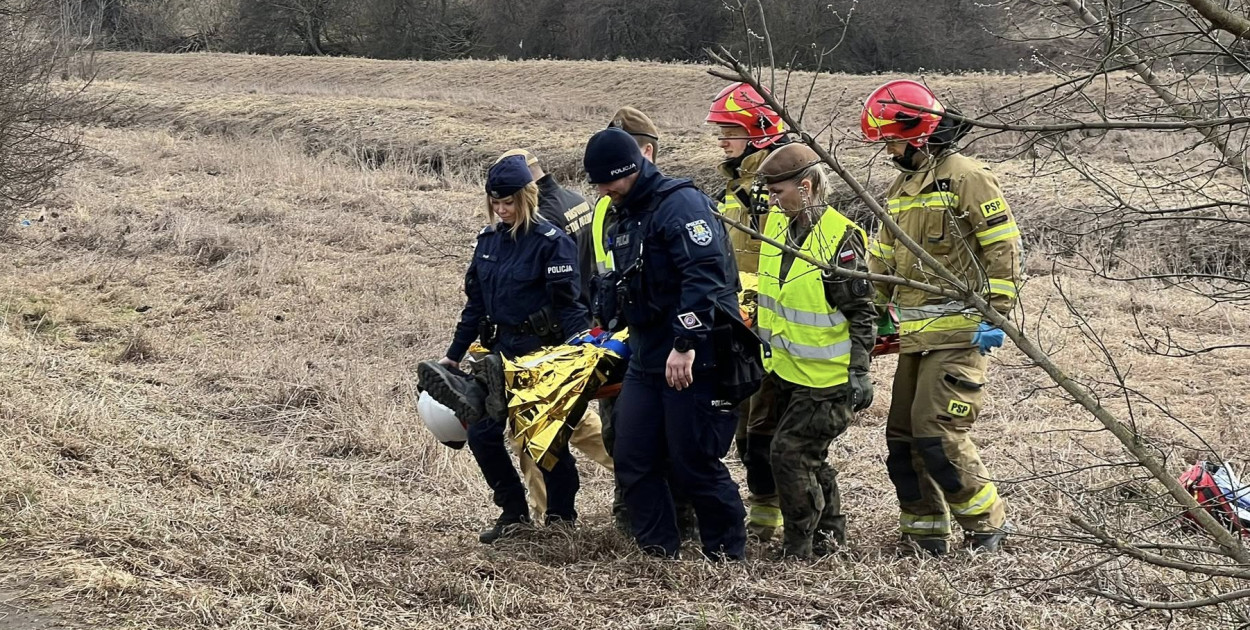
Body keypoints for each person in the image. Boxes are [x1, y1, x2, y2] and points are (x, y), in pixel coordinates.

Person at [861, 80, 1022, 555]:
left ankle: (987, 525)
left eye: (891, 138)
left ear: (918, 134)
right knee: (903, 438)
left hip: (961, 331)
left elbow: (1002, 245)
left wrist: (997, 312)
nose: (887, 149)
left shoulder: (967, 175)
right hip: (916, 335)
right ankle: (924, 532)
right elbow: (883, 256)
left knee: (937, 433)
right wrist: (868, 306)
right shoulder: (901, 185)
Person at [583, 126, 747, 560]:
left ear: (633, 168)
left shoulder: (681, 204)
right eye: (597, 184)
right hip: (645, 352)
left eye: (608, 181)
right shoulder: (624, 212)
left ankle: (726, 550)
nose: (603, 191)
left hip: (692, 356)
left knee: (693, 462)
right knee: (633, 455)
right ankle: (657, 547)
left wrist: (685, 342)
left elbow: (705, 275)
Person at [423, 155, 590, 544]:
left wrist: (580, 350)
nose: (502, 210)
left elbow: (571, 305)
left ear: (527, 197)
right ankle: (512, 513)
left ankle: (562, 518)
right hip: (496, 355)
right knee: (481, 433)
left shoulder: (551, 243)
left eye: (509, 202)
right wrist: (453, 353)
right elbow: (475, 304)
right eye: (495, 202)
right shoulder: (488, 242)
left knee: (546, 440)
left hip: (541, 354)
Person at [753, 143, 877, 558]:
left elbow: (863, 315)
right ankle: (830, 538)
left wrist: (859, 372)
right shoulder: (776, 224)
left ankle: (799, 547)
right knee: (809, 457)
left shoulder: (840, 240)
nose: (772, 200)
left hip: (829, 378)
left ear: (806, 187)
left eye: (779, 192)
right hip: (786, 370)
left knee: (789, 454)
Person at [489, 149, 616, 527]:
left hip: (545, 335)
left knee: (535, 427)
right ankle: (636, 470)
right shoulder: (578, 201)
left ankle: (549, 513)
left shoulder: (539, 219)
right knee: (571, 418)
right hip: (582, 318)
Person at [705, 81, 790, 541]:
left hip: (772, 328)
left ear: (759, 130)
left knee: (765, 431)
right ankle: (759, 517)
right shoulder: (738, 186)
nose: (721, 139)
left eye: (730, 130)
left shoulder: (774, 186)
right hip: (740, 324)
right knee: (740, 426)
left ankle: (774, 517)